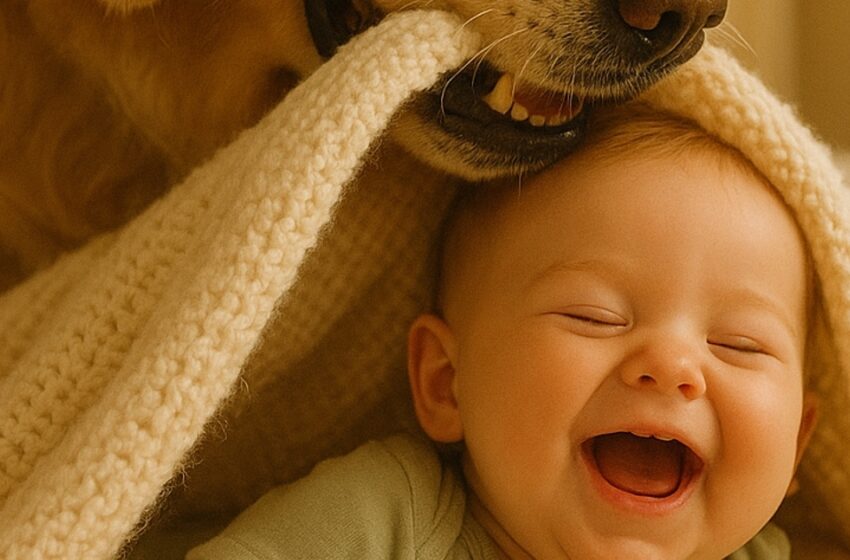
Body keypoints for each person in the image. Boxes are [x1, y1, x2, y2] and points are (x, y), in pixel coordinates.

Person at [185, 100, 824, 560]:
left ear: (796, 442)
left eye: (739, 345)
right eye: (594, 317)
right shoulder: (390, 517)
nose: (672, 364)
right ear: (445, 382)